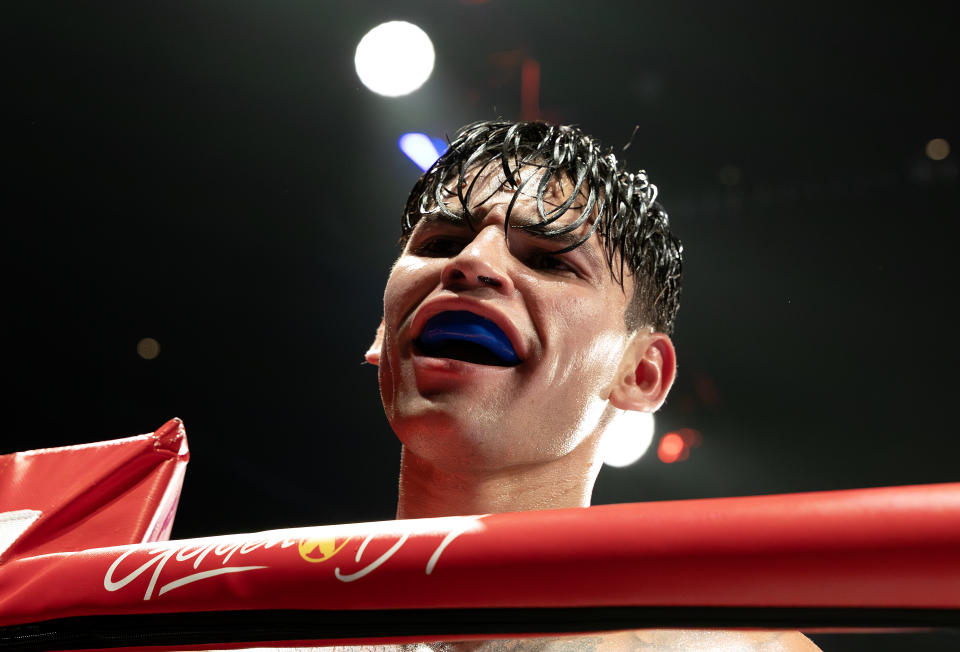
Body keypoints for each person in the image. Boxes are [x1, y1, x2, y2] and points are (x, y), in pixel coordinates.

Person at [364, 120, 820, 651]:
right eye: (442, 242)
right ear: (382, 333)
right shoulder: (250, 613)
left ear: (640, 373)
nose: (471, 263)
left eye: (547, 260)